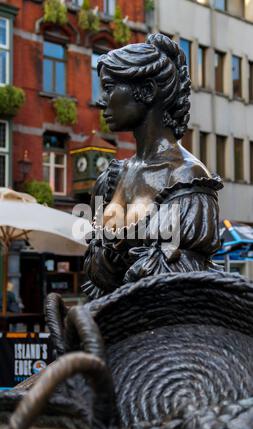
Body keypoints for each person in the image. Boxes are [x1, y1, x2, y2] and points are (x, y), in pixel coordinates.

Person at [82, 33, 223, 300]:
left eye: (110, 88)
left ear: (147, 91)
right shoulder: (109, 180)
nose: (102, 101)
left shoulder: (188, 179)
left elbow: (178, 286)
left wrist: (115, 250)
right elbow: (93, 274)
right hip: (112, 332)